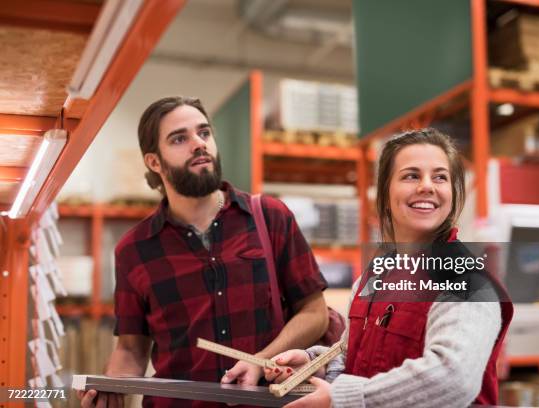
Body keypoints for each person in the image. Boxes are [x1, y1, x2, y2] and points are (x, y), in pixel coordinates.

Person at [77, 96, 329, 407]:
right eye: (180, 138)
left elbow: (315, 313)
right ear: (154, 162)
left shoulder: (269, 217)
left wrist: (261, 360)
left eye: (204, 133)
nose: (198, 144)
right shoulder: (134, 250)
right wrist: (108, 388)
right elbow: (131, 348)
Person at [265, 128, 513, 408]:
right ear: (385, 192)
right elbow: (355, 355)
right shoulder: (373, 278)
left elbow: (451, 377)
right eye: (411, 175)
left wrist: (343, 398)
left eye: (440, 177)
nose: (427, 186)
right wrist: (315, 364)